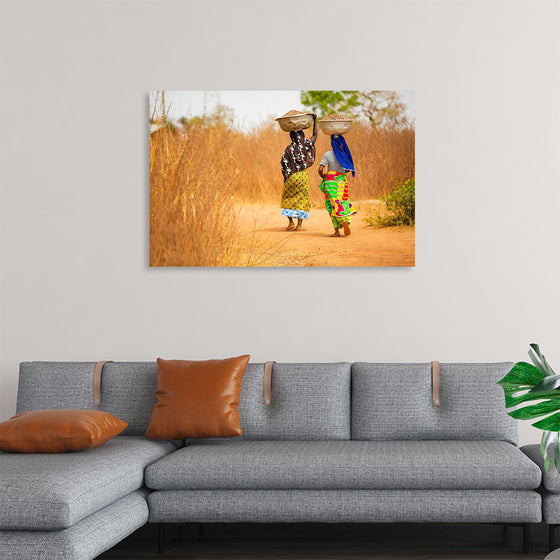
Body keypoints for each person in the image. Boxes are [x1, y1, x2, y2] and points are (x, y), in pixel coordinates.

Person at [280, 115, 317, 231]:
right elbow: (315, 135)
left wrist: (286, 178)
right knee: (302, 198)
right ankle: (299, 226)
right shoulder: (305, 145)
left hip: (291, 177)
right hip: (302, 176)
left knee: (287, 198)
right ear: (302, 136)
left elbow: (283, 164)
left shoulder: (288, 149)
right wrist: (315, 120)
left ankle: (290, 221)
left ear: (291, 136)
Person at [318, 134, 357, 237]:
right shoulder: (344, 155)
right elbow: (348, 169)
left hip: (331, 181)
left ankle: (336, 231)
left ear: (331, 144)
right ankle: (346, 220)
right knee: (343, 201)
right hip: (342, 181)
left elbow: (320, 169)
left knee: (331, 204)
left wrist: (323, 176)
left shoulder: (327, 154)